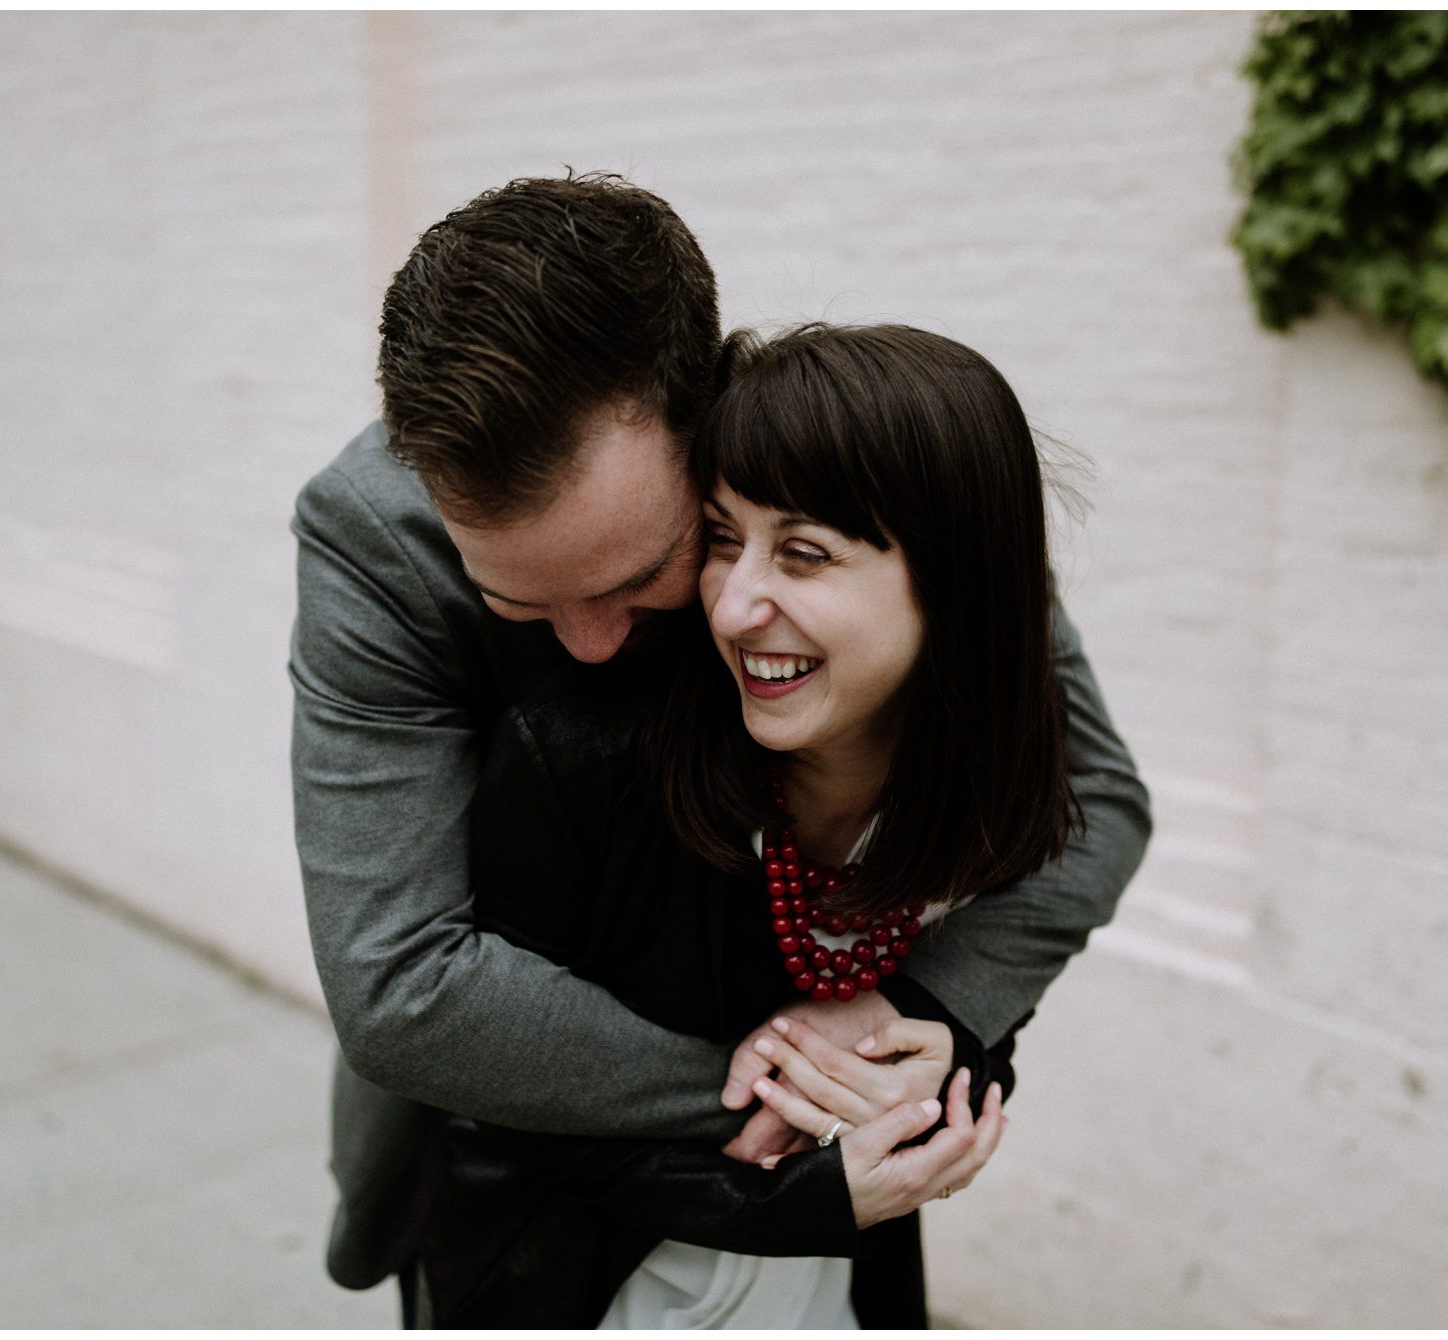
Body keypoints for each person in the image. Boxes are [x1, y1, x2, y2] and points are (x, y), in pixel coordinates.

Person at [287, 173, 1152, 1320]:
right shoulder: (368, 537)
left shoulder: (852, 472)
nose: (591, 648)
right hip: (514, 1163)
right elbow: (398, 980)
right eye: (520, 603)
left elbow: (1089, 789)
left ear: (712, 412)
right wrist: (793, 1088)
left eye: (638, 574)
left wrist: (917, 1013)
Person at [420, 322, 1091, 1327]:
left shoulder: (992, 782)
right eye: (724, 536)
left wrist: (941, 1063)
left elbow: (971, 998)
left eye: (804, 553)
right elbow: (502, 1103)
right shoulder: (585, 766)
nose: (733, 606)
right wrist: (801, 1196)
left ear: (952, 584)